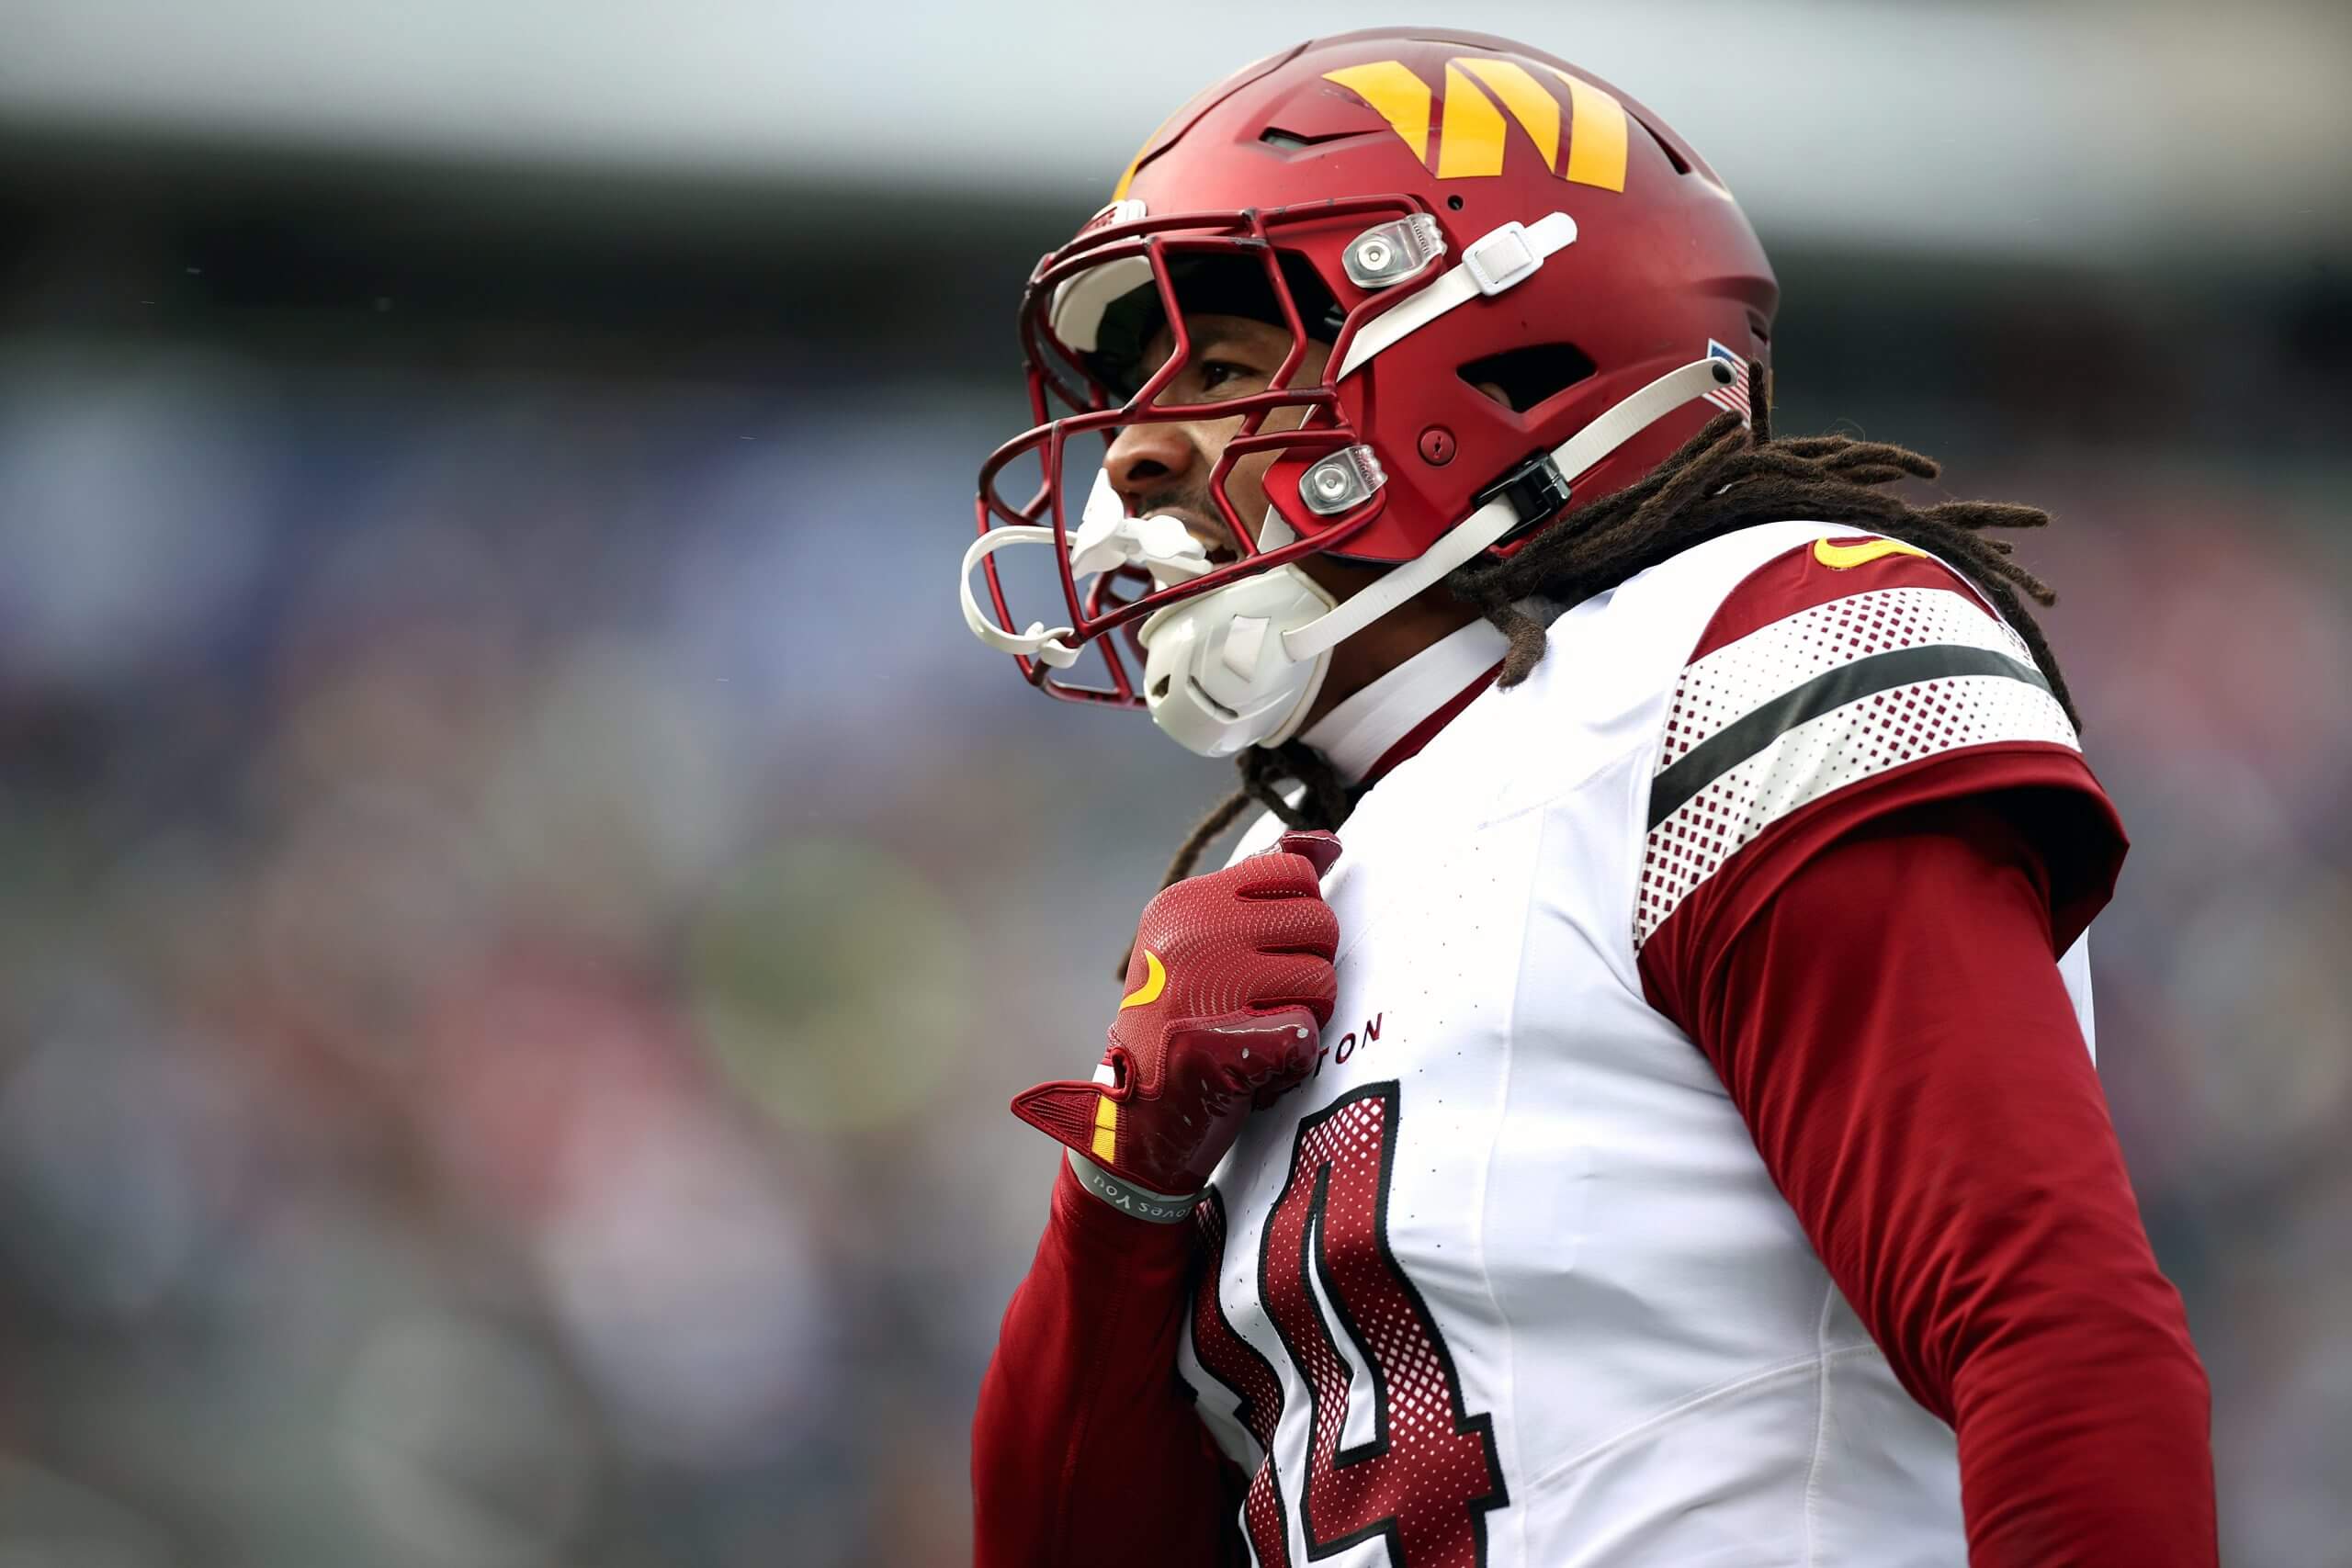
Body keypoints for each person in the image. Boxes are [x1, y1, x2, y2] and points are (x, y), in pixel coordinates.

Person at [959, 27, 2213, 1568]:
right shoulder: (1286, 874)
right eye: (1138, 390)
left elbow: (2047, 1323)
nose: (1136, 455)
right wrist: (1126, 1192)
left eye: (1220, 368)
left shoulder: (1730, 651)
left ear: (1503, 359)